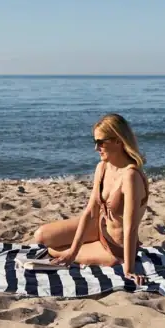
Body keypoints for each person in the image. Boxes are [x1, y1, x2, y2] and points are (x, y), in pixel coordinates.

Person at [32, 113, 150, 287]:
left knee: (54, 251)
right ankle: (85, 244)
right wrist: (74, 249)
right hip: (98, 228)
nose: (97, 148)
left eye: (101, 142)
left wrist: (129, 269)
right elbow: (89, 212)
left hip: (115, 246)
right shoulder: (102, 167)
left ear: (118, 140)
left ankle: (100, 252)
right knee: (41, 236)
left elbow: (130, 227)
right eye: (95, 142)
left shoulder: (131, 176)